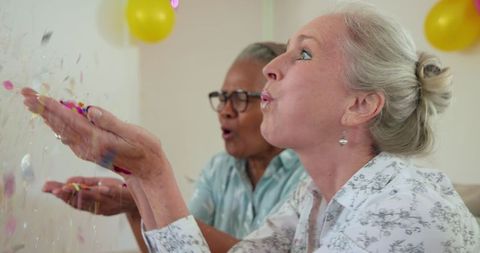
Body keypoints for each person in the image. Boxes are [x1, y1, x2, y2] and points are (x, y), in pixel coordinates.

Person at [22, 2, 480, 252]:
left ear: (359, 105)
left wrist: (152, 172)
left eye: (303, 53)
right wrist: (142, 172)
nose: (271, 69)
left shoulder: (406, 211)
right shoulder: (315, 198)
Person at [39, 42, 307, 249]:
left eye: (238, 98)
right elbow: (179, 247)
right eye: (222, 97)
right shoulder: (219, 169)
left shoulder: (309, 177)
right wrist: (137, 205)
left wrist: (150, 184)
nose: (224, 110)